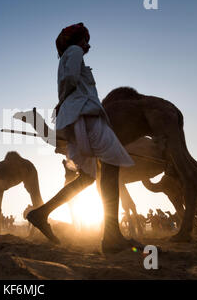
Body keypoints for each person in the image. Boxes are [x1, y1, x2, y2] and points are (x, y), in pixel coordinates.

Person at [27, 23, 135, 250]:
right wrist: (65, 101)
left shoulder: (66, 56)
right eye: (85, 39)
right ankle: (113, 237)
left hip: (76, 114)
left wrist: (63, 103)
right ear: (77, 39)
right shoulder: (74, 51)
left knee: (87, 178)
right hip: (86, 113)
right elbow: (71, 79)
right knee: (112, 164)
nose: (88, 44)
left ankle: (40, 213)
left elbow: (68, 80)